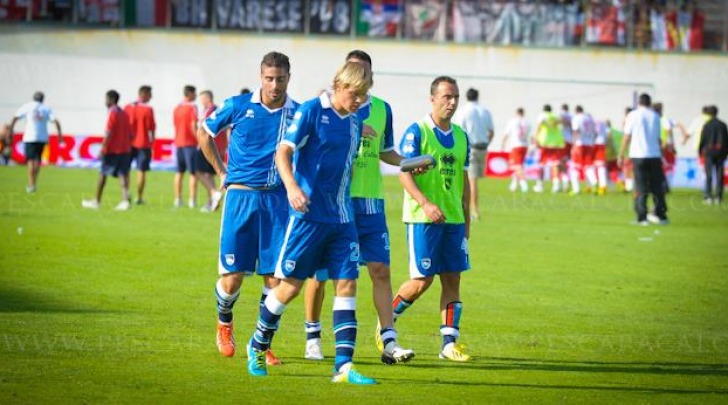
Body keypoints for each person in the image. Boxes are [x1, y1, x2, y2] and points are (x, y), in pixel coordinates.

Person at [244, 61, 377, 384]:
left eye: (364, 94)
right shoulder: (311, 112)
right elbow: (283, 151)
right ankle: (257, 343)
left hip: (342, 219)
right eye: (355, 93)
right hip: (307, 218)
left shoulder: (356, 122)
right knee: (289, 287)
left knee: (347, 284)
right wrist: (291, 187)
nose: (359, 100)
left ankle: (344, 367)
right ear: (339, 85)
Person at [302, 50, 415, 365]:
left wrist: (407, 163)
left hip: (371, 203)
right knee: (323, 273)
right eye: (353, 71)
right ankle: (313, 335)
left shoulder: (382, 109)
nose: (359, 79)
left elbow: (386, 151)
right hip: (334, 203)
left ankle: (388, 341)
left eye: (364, 73)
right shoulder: (328, 109)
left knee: (380, 269)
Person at [197, 52, 298, 366]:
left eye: (280, 78)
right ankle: (224, 322)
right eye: (269, 78)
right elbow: (204, 133)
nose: (274, 85)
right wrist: (222, 172)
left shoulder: (297, 112)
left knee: (275, 280)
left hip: (278, 203)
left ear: (288, 78)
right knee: (233, 279)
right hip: (241, 200)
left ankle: (261, 343)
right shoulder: (238, 105)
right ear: (260, 76)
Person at [394, 76, 472, 362]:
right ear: (432, 99)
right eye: (446, 97)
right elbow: (403, 171)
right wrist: (425, 204)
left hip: (453, 221)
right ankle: (386, 322)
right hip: (422, 220)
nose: (451, 102)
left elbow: (464, 180)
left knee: (453, 279)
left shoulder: (462, 136)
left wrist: (467, 221)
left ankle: (449, 344)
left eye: (455, 97)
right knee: (421, 281)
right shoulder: (417, 131)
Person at [618, 93, 668, 225]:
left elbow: (627, 136)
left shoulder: (633, 115)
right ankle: (660, 215)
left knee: (640, 186)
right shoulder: (656, 116)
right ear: (650, 103)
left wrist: (621, 154)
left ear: (639, 102)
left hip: (638, 154)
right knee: (657, 186)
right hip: (654, 155)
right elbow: (658, 138)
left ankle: (642, 217)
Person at [81, 90, 133, 211]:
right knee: (122, 175)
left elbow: (109, 132)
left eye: (106, 99)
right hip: (125, 149)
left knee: (103, 174)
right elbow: (130, 134)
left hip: (112, 149)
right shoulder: (124, 113)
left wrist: (103, 147)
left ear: (111, 99)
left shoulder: (112, 113)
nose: (105, 101)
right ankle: (125, 201)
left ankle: (96, 201)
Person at [9, 91, 63, 193]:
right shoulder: (46, 108)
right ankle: (34, 183)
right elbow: (55, 120)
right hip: (42, 138)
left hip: (29, 137)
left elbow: (15, 117)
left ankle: (30, 184)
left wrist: (11, 130)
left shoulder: (27, 106)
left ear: (33, 98)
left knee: (30, 161)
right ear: (43, 99)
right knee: (37, 160)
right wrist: (60, 135)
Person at [452, 87, 493, 220]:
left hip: (470, 147)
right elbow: (491, 132)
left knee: (471, 181)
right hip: (483, 146)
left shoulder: (464, 111)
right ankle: (472, 208)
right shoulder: (485, 111)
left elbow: (458, 130)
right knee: (473, 180)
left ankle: (474, 211)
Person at [124, 85, 156, 205]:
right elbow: (151, 128)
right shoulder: (148, 109)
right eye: (150, 94)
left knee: (125, 170)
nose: (151, 97)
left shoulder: (128, 107)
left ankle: (125, 193)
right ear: (145, 94)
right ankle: (139, 197)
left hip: (128, 143)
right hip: (143, 143)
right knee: (141, 171)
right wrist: (152, 142)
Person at [195, 90, 224, 213]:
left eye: (202, 99)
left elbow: (204, 130)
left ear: (208, 98)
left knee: (198, 171)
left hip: (209, 146)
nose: (201, 102)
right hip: (218, 146)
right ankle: (211, 203)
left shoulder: (210, 111)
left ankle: (214, 193)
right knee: (209, 174)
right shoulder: (218, 109)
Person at [173, 85, 199, 208]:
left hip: (178, 143)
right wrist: (199, 139)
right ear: (190, 94)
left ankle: (178, 199)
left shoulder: (177, 108)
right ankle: (192, 201)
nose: (196, 96)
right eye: (194, 93)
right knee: (193, 173)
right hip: (190, 143)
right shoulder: (192, 108)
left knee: (179, 172)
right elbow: (193, 125)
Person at [699, 105, 728, 205]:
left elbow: (703, 139)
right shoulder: (723, 125)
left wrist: (700, 151)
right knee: (720, 175)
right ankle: (719, 196)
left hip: (709, 152)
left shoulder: (707, 125)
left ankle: (708, 196)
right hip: (720, 153)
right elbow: (726, 140)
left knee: (709, 175)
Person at [534, 104, 565, 193]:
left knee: (541, 164)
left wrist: (536, 139)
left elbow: (539, 127)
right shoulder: (555, 116)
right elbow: (561, 122)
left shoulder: (542, 116)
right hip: (555, 142)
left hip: (545, 141)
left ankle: (540, 185)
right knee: (555, 164)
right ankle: (556, 185)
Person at [501, 107, 530, 193]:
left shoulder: (512, 121)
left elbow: (506, 133)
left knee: (517, 166)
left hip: (516, 145)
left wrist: (503, 143)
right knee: (519, 165)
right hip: (525, 145)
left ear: (516, 113)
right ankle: (514, 184)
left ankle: (524, 184)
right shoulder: (527, 122)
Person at [569, 105, 597, 195]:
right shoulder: (589, 119)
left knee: (575, 167)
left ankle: (576, 189)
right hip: (589, 143)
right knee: (588, 165)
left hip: (579, 144)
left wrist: (573, 144)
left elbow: (575, 131)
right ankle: (594, 183)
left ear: (576, 111)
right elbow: (595, 132)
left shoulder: (576, 118)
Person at [559, 103, 573, 191]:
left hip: (562, 141)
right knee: (567, 162)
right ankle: (567, 181)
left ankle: (565, 181)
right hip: (570, 141)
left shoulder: (561, 114)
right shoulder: (572, 116)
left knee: (560, 163)